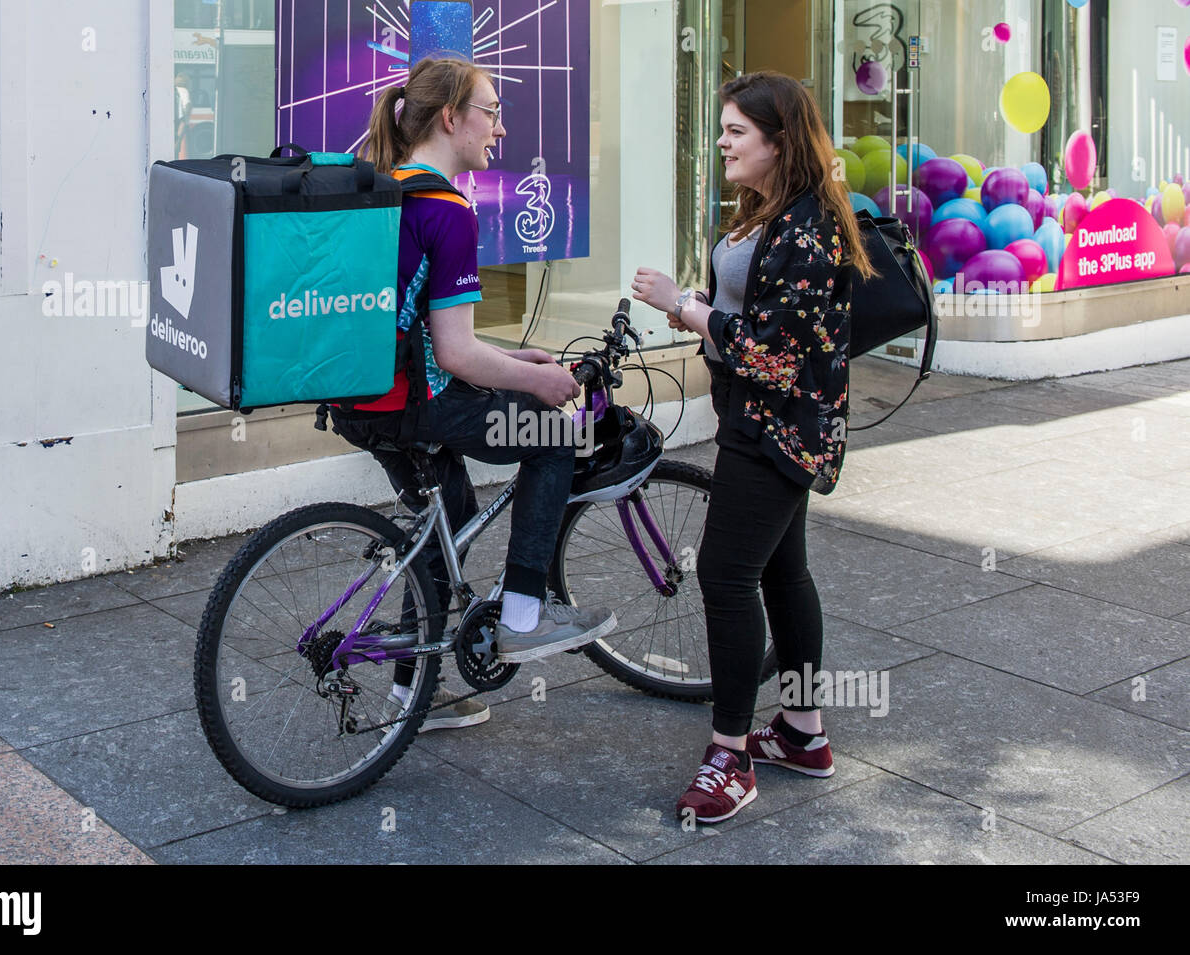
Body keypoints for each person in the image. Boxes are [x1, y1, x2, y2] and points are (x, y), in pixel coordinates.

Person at [329, 58, 617, 730]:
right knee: (557, 434)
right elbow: (455, 352)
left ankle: (412, 700)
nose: (500, 126)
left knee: (446, 523)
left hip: (363, 401)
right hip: (416, 404)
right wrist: (542, 380)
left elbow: (424, 330)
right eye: (489, 111)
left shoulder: (387, 189)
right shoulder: (448, 210)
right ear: (452, 118)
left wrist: (512, 358)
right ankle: (523, 612)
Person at [631, 70, 876, 822]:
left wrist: (686, 307)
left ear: (779, 141)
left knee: (726, 576)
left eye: (738, 131)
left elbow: (774, 357)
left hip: (776, 427)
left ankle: (729, 757)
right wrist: (703, 311)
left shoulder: (809, 228)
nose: (724, 142)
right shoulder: (773, 211)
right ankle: (803, 732)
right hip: (758, 417)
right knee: (783, 572)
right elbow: (754, 320)